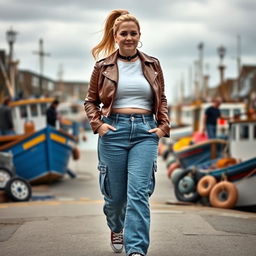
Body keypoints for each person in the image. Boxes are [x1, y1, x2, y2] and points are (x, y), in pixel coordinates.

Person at [84, 9, 170, 256]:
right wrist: (99, 125)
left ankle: (136, 250)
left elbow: (161, 98)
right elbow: (90, 101)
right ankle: (116, 226)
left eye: (134, 33)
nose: (129, 37)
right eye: (124, 33)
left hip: (145, 132)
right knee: (115, 198)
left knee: (138, 194)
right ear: (116, 35)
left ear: (139, 35)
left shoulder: (153, 65)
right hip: (114, 132)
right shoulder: (102, 67)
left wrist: (162, 127)